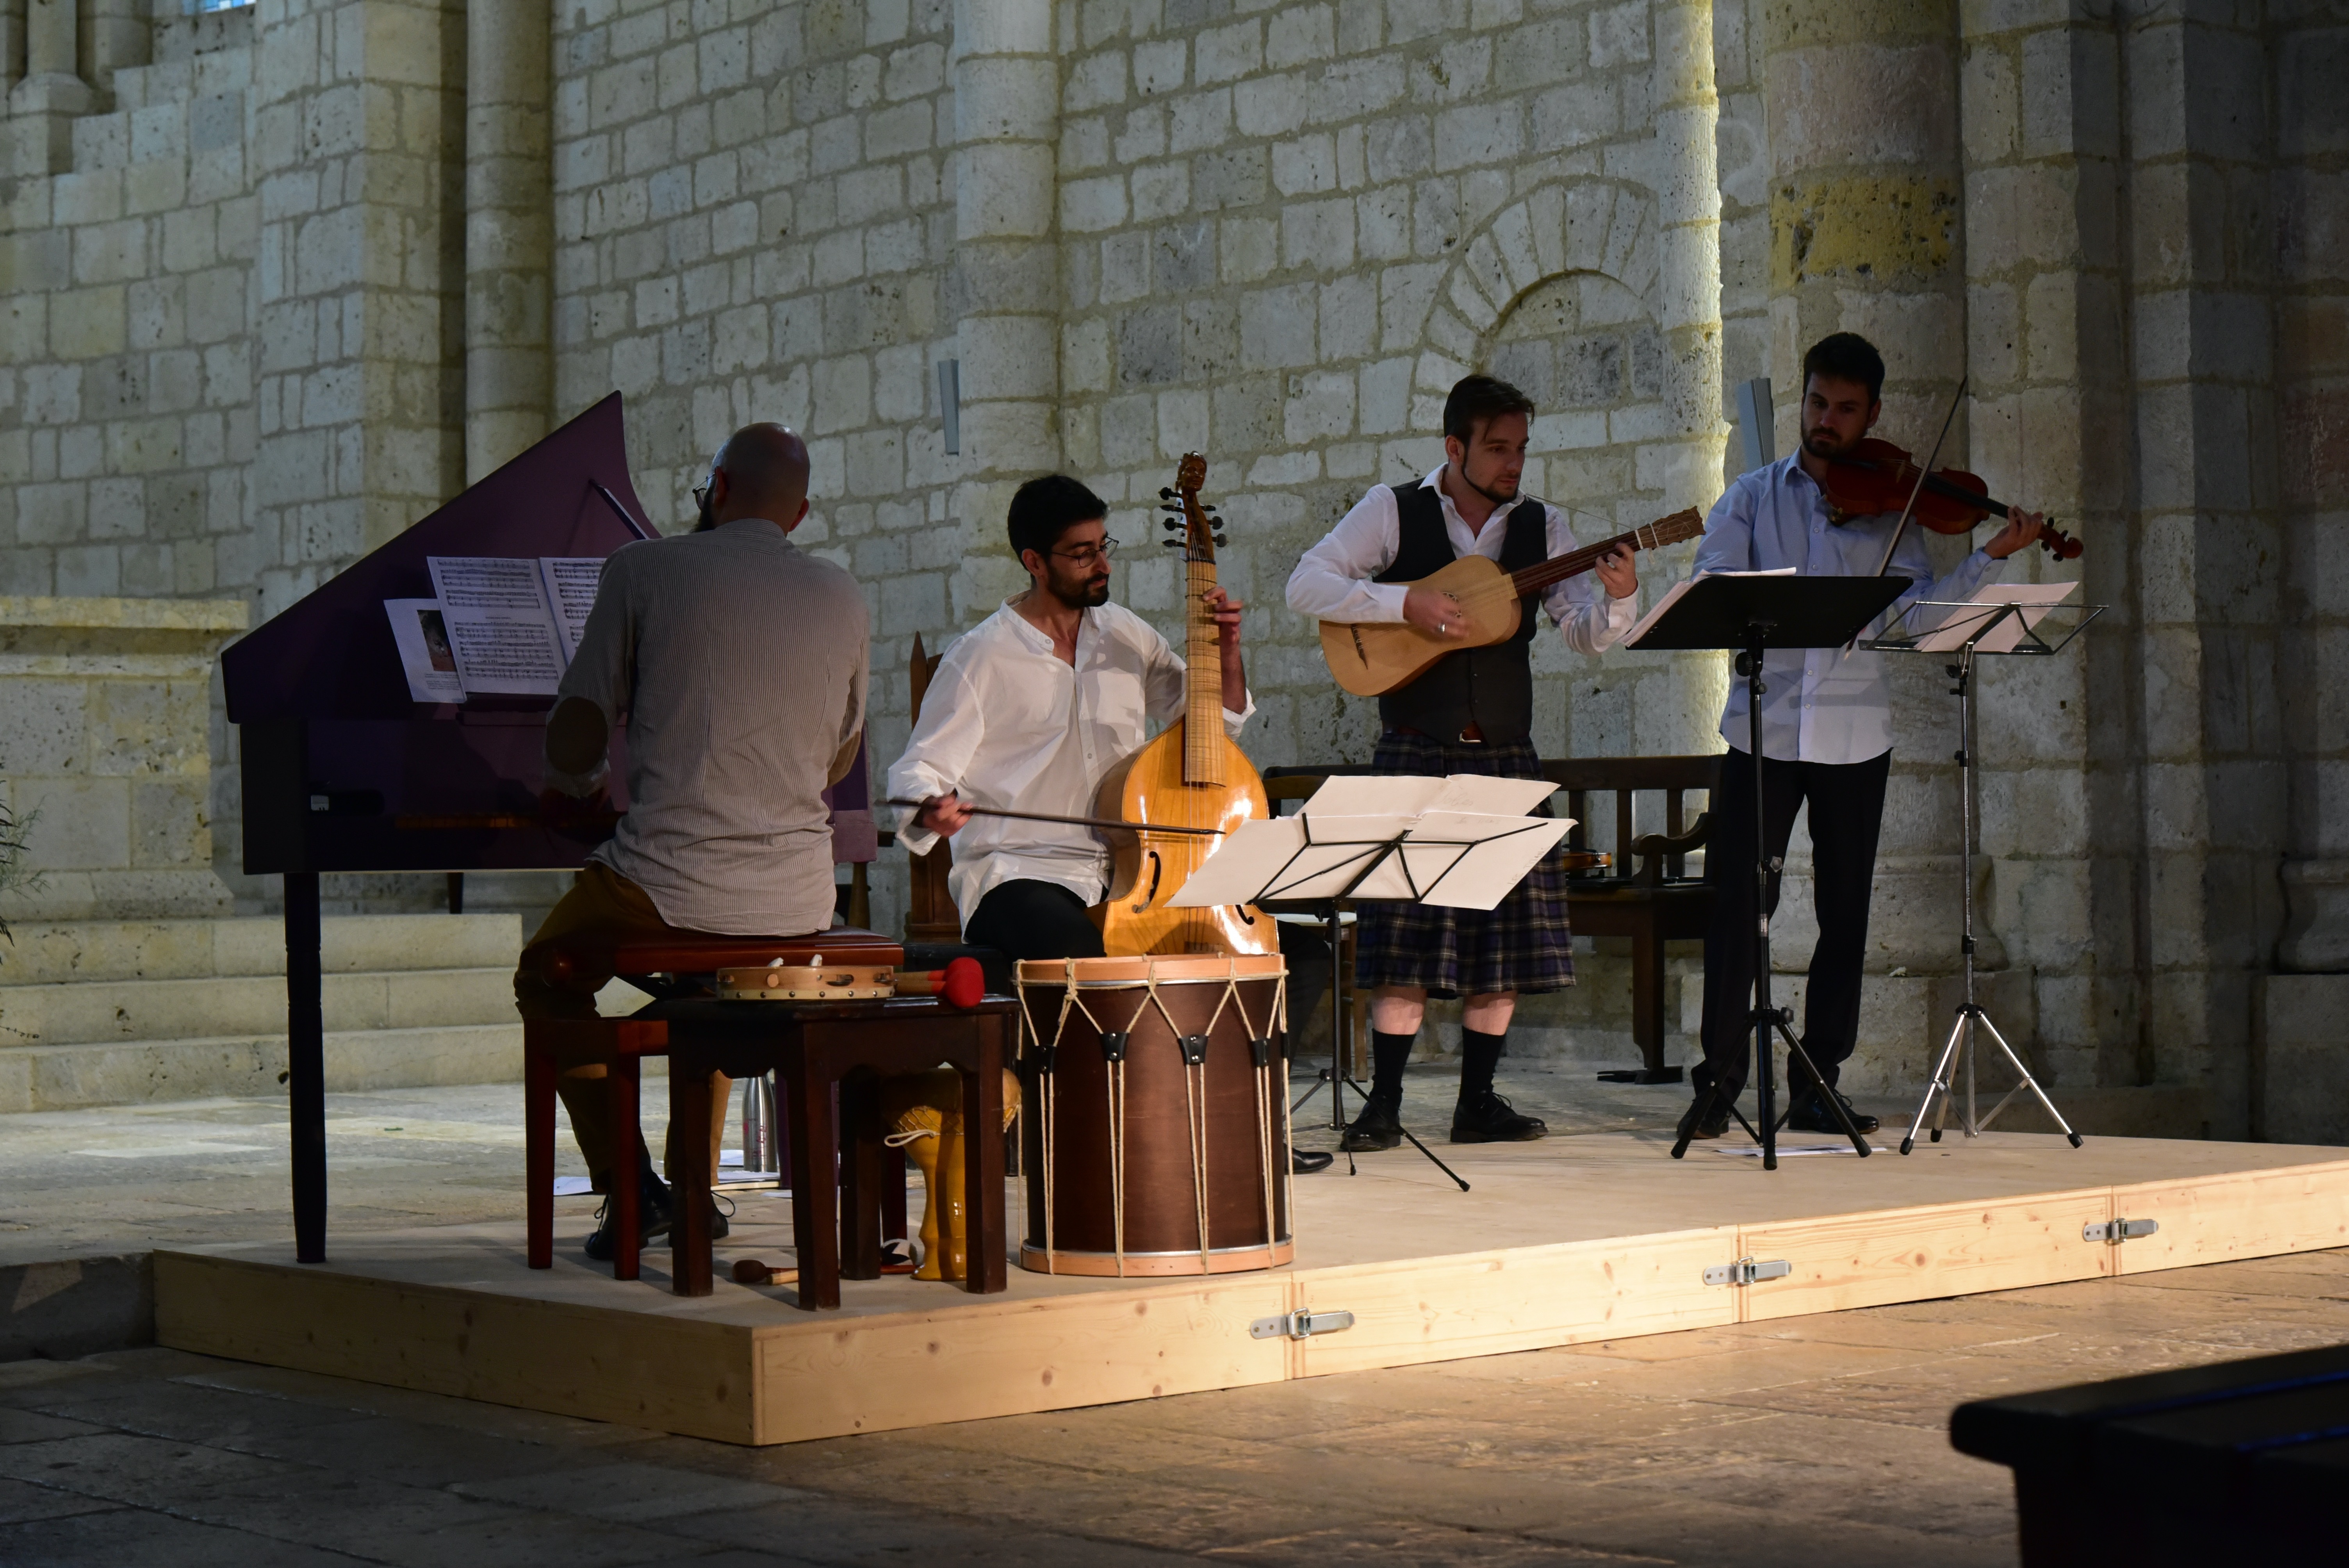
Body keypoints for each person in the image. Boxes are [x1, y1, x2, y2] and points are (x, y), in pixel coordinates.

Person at [886, 474, 1334, 1175]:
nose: (1101, 566)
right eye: (1080, 553)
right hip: (1020, 873)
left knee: (1293, 957)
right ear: (1033, 561)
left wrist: (1227, 651)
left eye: (1104, 548)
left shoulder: (1126, 635)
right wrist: (931, 806)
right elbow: (917, 769)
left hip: (1133, 870)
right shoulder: (983, 656)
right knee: (1094, 961)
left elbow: (1211, 726)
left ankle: (1243, 1123)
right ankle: (1115, 1142)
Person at [516, 422, 869, 1260]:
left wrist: (577, 789)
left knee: (548, 977)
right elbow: (842, 751)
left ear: (714, 489)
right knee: (711, 993)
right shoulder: (841, 593)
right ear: (802, 511)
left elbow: (575, 731)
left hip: (668, 884)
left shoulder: (643, 569)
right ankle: (694, 1194)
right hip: (796, 893)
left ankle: (635, 1189)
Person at [1682, 332, 2046, 1140]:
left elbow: (1916, 617)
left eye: (1846, 410)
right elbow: (1714, 583)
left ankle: (1816, 1079)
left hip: (1854, 734)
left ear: (1870, 414)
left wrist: (1990, 554)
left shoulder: (1892, 513)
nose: (1826, 422)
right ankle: (1719, 1082)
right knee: (1740, 905)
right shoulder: (1749, 496)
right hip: (1762, 727)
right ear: (1802, 399)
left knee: (1845, 912)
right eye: (1817, 403)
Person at [1285, 374, 1640, 1149]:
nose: (1513, 463)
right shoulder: (1392, 510)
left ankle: (1476, 1102)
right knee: (1404, 936)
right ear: (1455, 447)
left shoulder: (1543, 527)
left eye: (1520, 447)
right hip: (1414, 745)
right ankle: (1383, 1103)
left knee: (1499, 941)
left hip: (1504, 753)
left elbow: (1581, 631)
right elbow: (1305, 584)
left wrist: (1617, 597)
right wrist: (1400, 603)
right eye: (1497, 447)